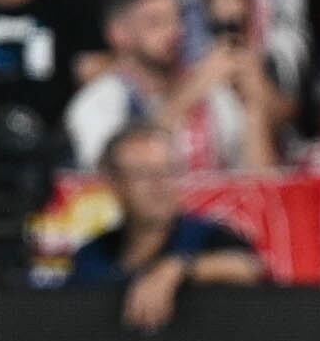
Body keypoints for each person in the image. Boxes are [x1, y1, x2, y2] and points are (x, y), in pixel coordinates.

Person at [68, 120, 268, 328]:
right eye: (142, 174)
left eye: (168, 171)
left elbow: (249, 267)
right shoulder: (93, 253)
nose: (159, 185)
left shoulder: (208, 235)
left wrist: (179, 268)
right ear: (114, 183)